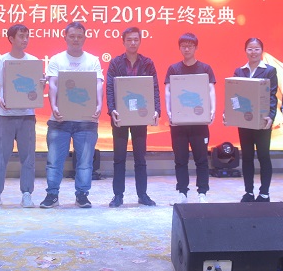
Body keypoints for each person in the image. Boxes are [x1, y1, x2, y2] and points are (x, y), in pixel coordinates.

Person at [40, 22, 103, 209]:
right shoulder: (56, 60)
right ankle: (52, 195)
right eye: (72, 36)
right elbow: (53, 85)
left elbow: (98, 84)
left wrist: (99, 104)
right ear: (65, 37)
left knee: (85, 163)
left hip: (86, 121)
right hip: (59, 120)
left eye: (79, 36)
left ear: (85, 38)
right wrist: (54, 106)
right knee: (54, 161)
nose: (76, 39)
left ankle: (82, 195)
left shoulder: (92, 60)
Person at [0, 24, 39, 209]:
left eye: (27, 36)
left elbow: (36, 89)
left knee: (28, 157)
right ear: (11, 39)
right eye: (21, 36)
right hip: (4, 116)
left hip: (27, 116)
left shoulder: (33, 61)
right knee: (0, 157)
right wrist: (0, 99)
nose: (25, 40)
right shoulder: (0, 61)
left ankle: (26, 194)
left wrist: (41, 84)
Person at [105, 27, 160, 208]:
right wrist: (112, 110)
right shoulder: (115, 63)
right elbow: (110, 88)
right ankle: (118, 195)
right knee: (119, 157)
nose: (133, 43)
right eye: (129, 39)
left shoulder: (147, 63)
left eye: (136, 39)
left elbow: (154, 88)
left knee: (140, 158)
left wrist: (156, 110)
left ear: (140, 41)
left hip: (140, 115)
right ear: (123, 41)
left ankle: (142, 195)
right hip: (120, 116)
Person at [164, 32, 216, 204]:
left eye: (190, 46)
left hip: (199, 122)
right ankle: (182, 193)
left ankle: (202, 193)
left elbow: (210, 90)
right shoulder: (174, 69)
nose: (187, 49)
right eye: (183, 46)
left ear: (196, 47)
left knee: (201, 159)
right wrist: (169, 113)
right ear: (179, 48)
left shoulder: (205, 68)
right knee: (180, 159)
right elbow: (168, 91)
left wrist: (212, 110)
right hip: (178, 123)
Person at [232, 37, 279, 203]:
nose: (253, 52)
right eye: (250, 49)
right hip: (244, 121)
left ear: (262, 51)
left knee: (263, 156)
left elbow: (272, 95)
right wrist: (230, 113)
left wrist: (271, 117)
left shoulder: (269, 71)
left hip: (262, 121)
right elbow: (234, 95)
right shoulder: (239, 71)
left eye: (256, 49)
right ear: (245, 51)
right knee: (247, 157)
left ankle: (264, 193)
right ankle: (249, 192)